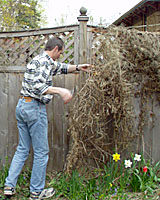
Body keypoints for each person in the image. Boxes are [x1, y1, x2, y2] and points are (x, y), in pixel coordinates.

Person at [4, 37, 92, 200]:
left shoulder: (40, 60)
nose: (60, 56)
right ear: (56, 49)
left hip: (22, 105)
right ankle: (36, 192)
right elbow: (38, 87)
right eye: (61, 52)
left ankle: (9, 186)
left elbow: (61, 67)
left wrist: (79, 67)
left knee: (23, 148)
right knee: (41, 152)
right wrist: (61, 91)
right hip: (34, 108)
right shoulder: (44, 63)